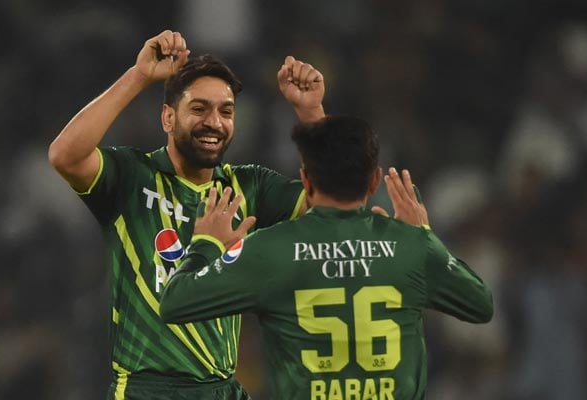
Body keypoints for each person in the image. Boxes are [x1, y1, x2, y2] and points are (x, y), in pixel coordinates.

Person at [48, 30, 325, 399]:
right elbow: (64, 155)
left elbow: (329, 202)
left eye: (226, 111)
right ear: (167, 117)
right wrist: (139, 76)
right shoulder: (132, 176)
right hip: (148, 389)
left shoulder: (248, 187)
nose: (214, 122)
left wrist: (310, 113)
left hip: (221, 388)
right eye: (199, 109)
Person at [160, 115, 494, 400]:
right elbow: (480, 304)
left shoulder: (268, 249)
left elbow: (175, 302)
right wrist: (424, 237)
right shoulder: (412, 247)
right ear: (374, 179)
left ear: (305, 180)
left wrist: (206, 244)